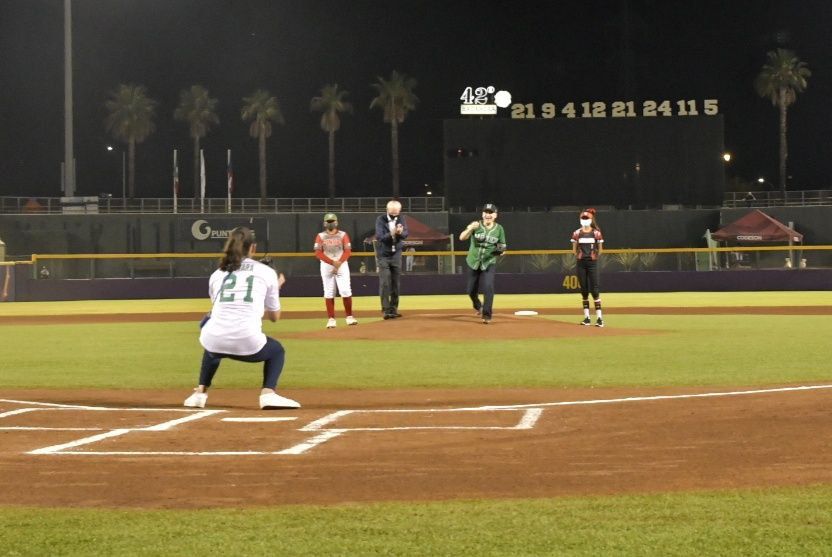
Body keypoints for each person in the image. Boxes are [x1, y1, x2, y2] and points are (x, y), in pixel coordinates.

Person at [184, 226, 300, 410]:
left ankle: (200, 393)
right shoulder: (266, 272)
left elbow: (218, 309)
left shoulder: (218, 273)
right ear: (253, 247)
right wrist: (276, 286)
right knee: (277, 351)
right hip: (248, 343)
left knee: (213, 339)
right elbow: (274, 317)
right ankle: (268, 394)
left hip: (213, 340)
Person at [459, 203, 507, 324]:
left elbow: (502, 246)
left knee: (488, 287)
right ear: (482, 214)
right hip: (473, 262)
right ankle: (478, 305)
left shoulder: (499, 229)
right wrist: (470, 228)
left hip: (489, 262)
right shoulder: (476, 225)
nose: (488, 215)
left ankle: (487, 315)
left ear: (495, 215)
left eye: (491, 213)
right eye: (486, 212)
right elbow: (462, 237)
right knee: (470, 290)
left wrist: (500, 252)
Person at [314, 212, 357, 329]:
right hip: (327, 265)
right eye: (328, 222)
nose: (330, 223)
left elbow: (348, 251)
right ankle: (331, 319)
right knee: (328, 291)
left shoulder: (343, 235)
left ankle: (349, 317)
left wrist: (339, 262)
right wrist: (333, 263)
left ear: (336, 222)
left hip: (341, 264)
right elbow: (317, 253)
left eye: (332, 221)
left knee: (346, 290)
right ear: (324, 223)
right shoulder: (320, 236)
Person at [374, 199, 409, 319]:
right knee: (384, 283)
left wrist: (399, 233)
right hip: (384, 255)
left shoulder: (401, 218)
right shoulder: (380, 219)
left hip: (396, 255)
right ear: (387, 210)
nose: (395, 215)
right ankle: (386, 310)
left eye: (396, 213)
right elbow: (380, 237)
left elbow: (406, 234)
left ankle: (394, 309)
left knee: (395, 284)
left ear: (399, 211)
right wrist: (392, 233)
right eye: (392, 213)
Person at [571, 208, 604, 327]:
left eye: (587, 218)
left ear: (591, 219)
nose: (585, 220)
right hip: (581, 263)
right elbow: (574, 249)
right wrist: (580, 256)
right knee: (584, 291)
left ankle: (600, 319)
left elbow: (600, 250)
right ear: (580, 220)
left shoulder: (596, 233)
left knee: (595, 291)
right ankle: (587, 318)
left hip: (592, 263)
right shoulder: (576, 233)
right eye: (583, 218)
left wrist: (592, 257)